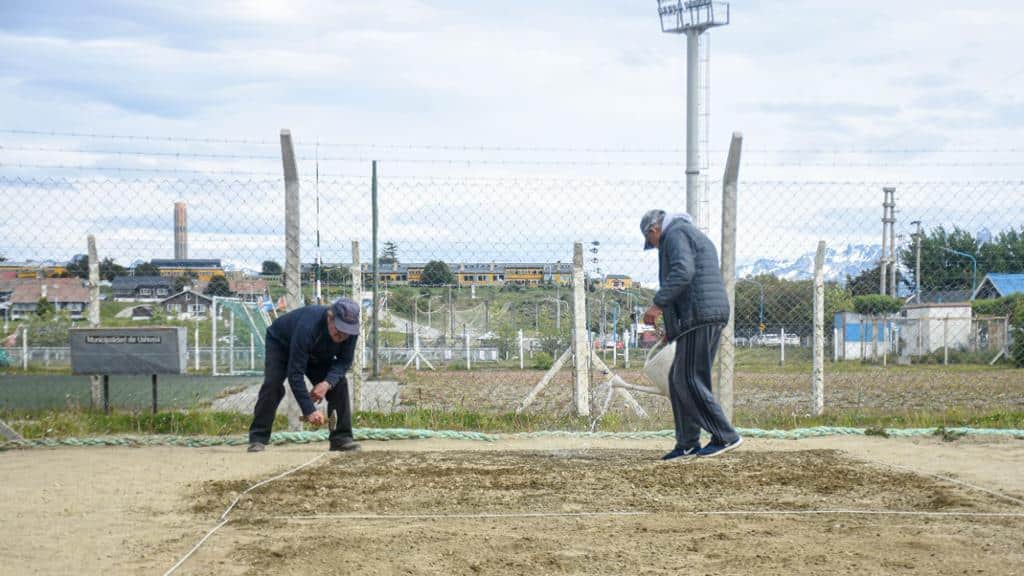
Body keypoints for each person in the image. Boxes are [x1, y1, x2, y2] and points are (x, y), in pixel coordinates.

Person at [640, 209, 742, 461]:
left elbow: (683, 272)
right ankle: (687, 443)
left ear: (653, 230)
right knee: (680, 379)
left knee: (688, 379)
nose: (654, 246)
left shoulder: (675, 234)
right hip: (699, 316)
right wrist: (672, 330)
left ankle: (725, 435)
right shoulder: (687, 233)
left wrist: (657, 304)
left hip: (699, 316)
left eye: (651, 242)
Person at [248, 297, 361, 453]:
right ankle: (258, 438)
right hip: (282, 344)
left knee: (339, 384)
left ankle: (341, 439)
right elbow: (295, 373)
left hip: (315, 352)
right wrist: (309, 410)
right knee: (272, 385)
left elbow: (344, 361)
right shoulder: (308, 326)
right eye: (339, 329)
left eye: (346, 332)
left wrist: (327, 383)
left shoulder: (351, 332)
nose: (342, 335)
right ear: (330, 318)